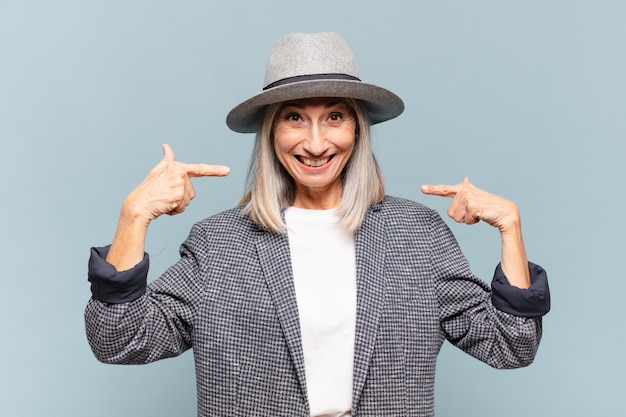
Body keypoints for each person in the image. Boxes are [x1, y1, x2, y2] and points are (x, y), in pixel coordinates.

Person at [85, 32, 550, 417]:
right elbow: (120, 340)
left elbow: (510, 346)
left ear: (356, 130)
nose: (315, 141)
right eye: (294, 118)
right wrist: (134, 218)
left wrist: (511, 227)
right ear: (271, 132)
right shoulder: (219, 242)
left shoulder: (418, 234)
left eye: (333, 116)